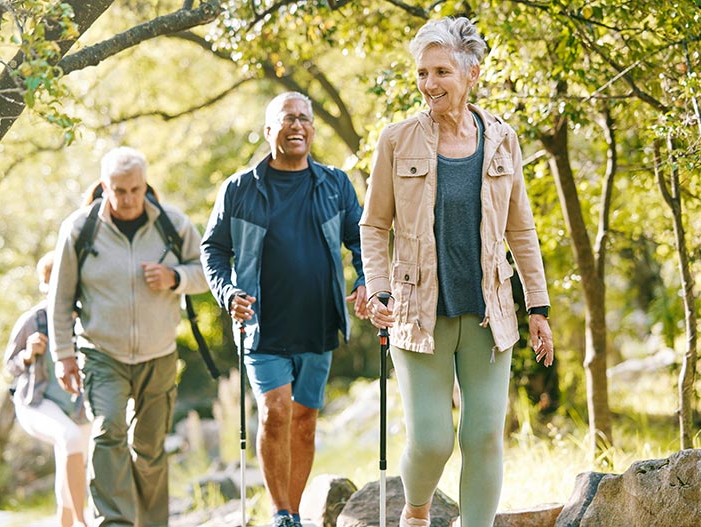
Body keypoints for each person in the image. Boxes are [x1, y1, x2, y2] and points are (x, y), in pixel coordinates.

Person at [360, 17, 555, 527]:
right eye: (422, 73)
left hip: (489, 311)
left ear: (471, 74)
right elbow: (374, 225)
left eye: (441, 71)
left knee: (483, 436)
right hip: (418, 312)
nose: (429, 84)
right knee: (431, 441)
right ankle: (417, 509)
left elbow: (522, 232)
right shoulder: (397, 140)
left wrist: (538, 306)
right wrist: (378, 289)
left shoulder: (502, 141)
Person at [201, 92, 368, 527]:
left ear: (312, 129)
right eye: (288, 118)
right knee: (276, 411)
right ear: (269, 129)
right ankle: (281, 514)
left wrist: (367, 280)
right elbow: (213, 250)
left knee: (305, 420)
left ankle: (295, 512)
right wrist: (226, 291)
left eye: (305, 119)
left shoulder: (335, 183)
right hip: (262, 326)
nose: (298, 126)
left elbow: (362, 238)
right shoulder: (239, 188)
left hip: (319, 321)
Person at [47, 146, 208, 527]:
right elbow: (60, 298)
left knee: (150, 448)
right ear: (105, 187)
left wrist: (175, 278)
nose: (128, 199)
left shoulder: (174, 225)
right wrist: (63, 355)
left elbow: (207, 272)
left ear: (145, 184)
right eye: (119, 191)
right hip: (102, 353)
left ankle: (153, 523)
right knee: (108, 433)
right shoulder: (79, 229)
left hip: (159, 352)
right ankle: (115, 523)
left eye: (135, 189)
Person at [4, 251, 90, 527]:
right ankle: (83, 522)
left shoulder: (85, 317)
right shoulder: (33, 320)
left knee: (72, 460)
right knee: (70, 439)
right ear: (44, 286)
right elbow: (10, 366)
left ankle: (65, 523)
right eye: (51, 283)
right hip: (36, 403)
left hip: (77, 407)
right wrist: (27, 355)